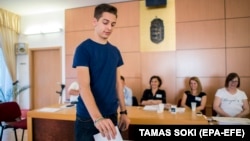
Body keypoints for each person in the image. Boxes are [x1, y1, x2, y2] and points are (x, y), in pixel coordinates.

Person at [72, 3, 130, 141]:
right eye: (105, 22)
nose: (109, 28)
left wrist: (123, 112)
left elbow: (118, 84)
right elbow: (84, 87)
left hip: (111, 114)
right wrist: (97, 118)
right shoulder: (83, 49)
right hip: (88, 118)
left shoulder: (115, 51)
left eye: (113, 24)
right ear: (95, 22)